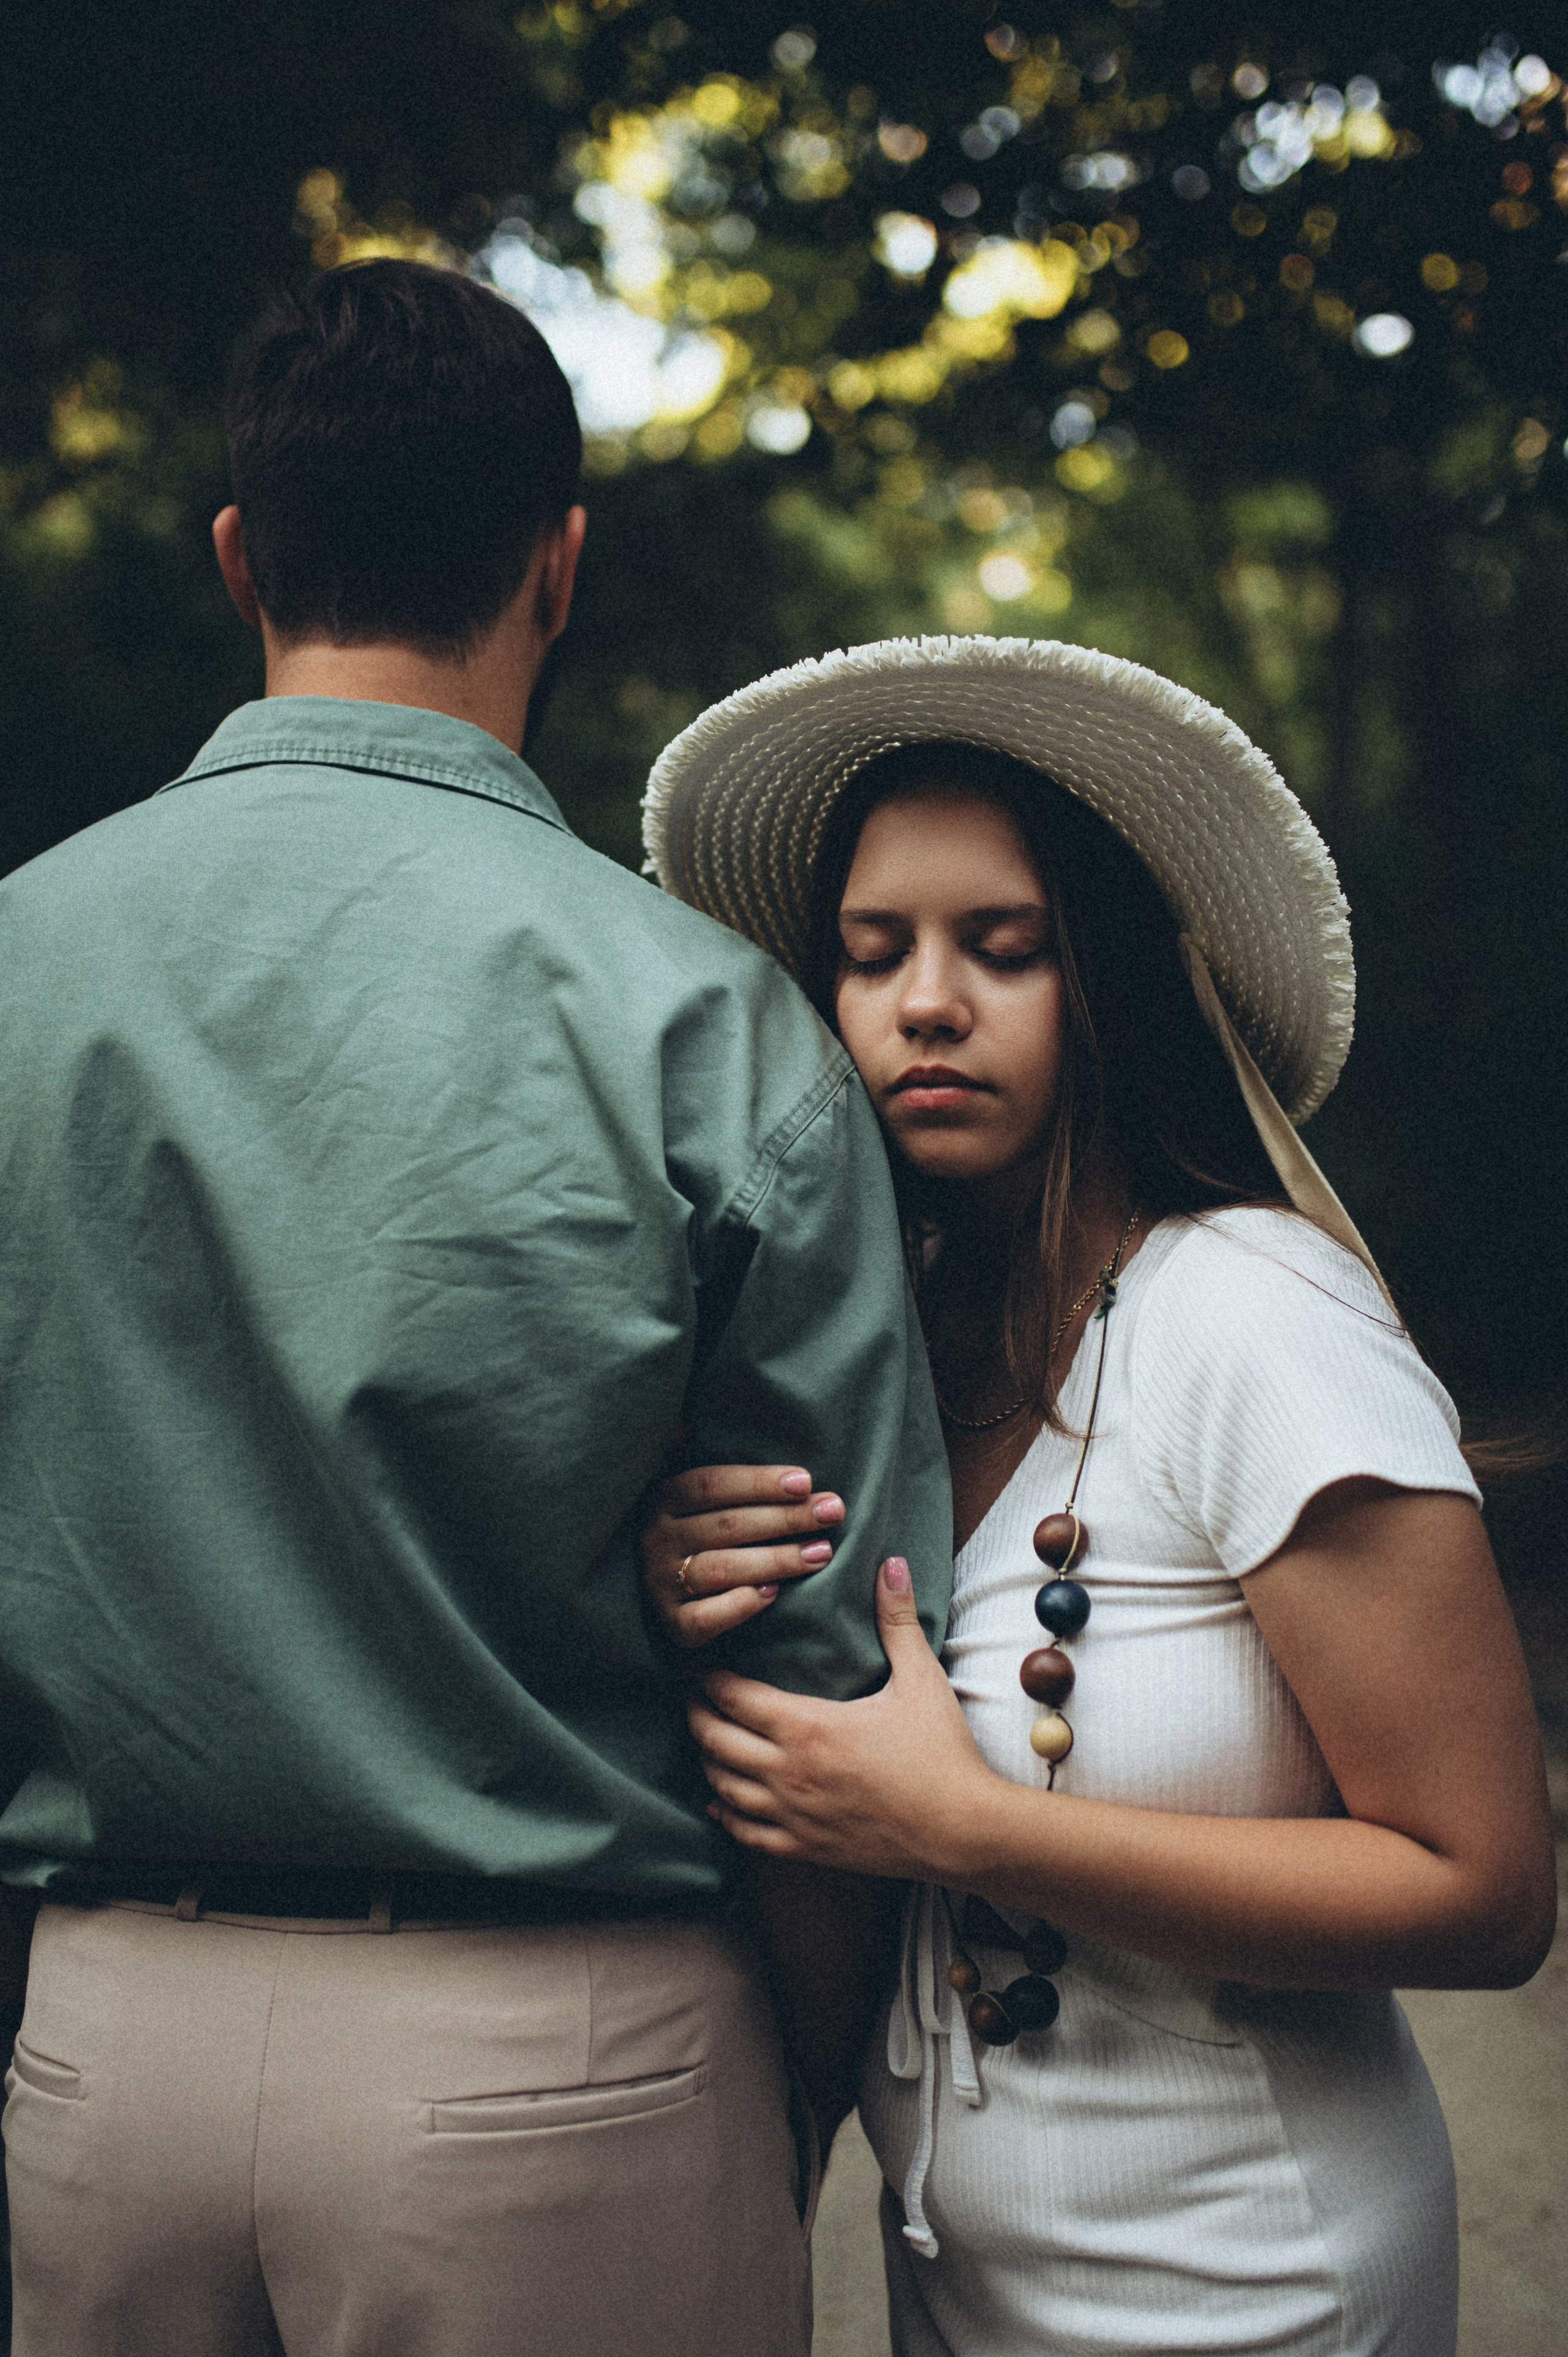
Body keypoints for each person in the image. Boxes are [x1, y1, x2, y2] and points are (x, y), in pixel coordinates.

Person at [0, 264, 953, 2357]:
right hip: (561, 2054)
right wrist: (778, 2086)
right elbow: (831, 1663)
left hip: (92, 2058)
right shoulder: (707, 1025)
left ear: (244, 555)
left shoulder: (15, 961)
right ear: (561, 563)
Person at [638, 635, 1558, 2357]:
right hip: (963, 2290)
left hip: (1252, 2293)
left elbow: (1490, 1890)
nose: (927, 1001)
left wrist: (969, 1827)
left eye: (1006, 947)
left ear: (1111, 983)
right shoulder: (888, 1350)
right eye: (870, 952)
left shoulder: (1250, 1317)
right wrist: (688, 1566)